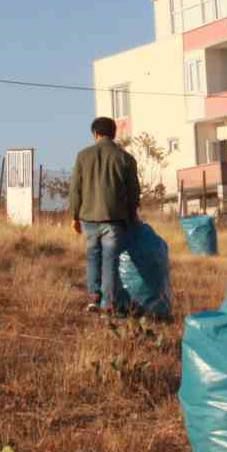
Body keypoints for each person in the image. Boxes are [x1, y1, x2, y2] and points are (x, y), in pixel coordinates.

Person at [67, 116, 140, 314]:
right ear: (114, 134)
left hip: (89, 217)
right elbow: (134, 191)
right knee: (110, 259)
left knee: (93, 257)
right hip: (115, 219)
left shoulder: (83, 156)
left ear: (95, 134)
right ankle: (108, 303)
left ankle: (93, 298)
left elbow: (75, 189)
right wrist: (132, 214)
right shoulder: (125, 158)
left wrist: (74, 215)